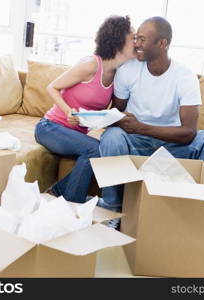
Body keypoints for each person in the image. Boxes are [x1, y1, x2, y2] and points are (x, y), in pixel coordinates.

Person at [98, 16, 204, 216]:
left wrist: (141, 127)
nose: (136, 44)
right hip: (136, 143)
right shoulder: (128, 71)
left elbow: (189, 133)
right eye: (136, 38)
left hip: (173, 146)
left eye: (142, 39)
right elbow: (116, 116)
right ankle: (112, 208)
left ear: (162, 43)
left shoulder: (184, 76)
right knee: (111, 137)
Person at [35, 15, 136, 204]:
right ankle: (73, 204)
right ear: (118, 40)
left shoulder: (118, 75)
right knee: (95, 150)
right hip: (50, 127)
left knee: (99, 148)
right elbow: (52, 87)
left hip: (77, 133)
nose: (137, 41)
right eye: (133, 37)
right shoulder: (91, 65)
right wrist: (68, 112)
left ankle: (59, 191)